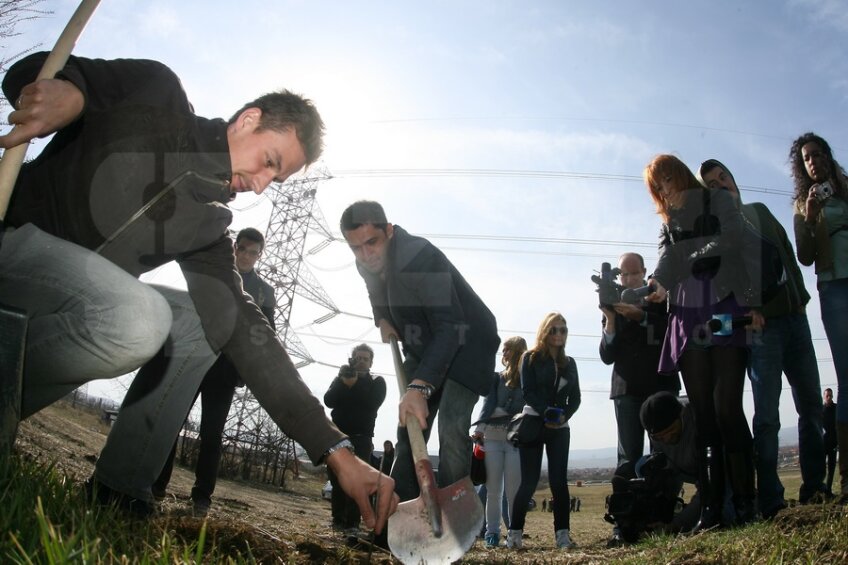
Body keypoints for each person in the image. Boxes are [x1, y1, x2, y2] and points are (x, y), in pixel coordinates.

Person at [0, 52, 397, 530]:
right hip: (12, 245)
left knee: (197, 324)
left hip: (68, 300)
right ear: (249, 120)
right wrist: (74, 94)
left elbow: (247, 333)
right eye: (269, 162)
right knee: (140, 316)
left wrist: (336, 450)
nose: (261, 186)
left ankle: (116, 493)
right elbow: (27, 73)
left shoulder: (208, 228)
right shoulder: (155, 92)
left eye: (277, 179)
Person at [340, 201, 500, 511]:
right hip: (424, 344)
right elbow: (374, 288)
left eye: (372, 242)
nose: (366, 254)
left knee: (451, 429)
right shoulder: (364, 261)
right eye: (356, 247)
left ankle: (454, 516)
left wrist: (420, 386)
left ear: (389, 230)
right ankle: (398, 517)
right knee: (409, 430)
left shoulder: (418, 257)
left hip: (467, 342)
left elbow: (451, 326)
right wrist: (381, 317)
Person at [698, 158, 828, 515]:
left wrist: (801, 302)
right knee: (767, 417)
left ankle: (815, 489)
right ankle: (769, 500)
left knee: (812, 408)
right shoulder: (719, 234)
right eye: (712, 184)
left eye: (724, 176)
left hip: (797, 323)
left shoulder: (760, 211)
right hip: (763, 331)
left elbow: (787, 256)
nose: (722, 183)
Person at [643, 154, 760, 531]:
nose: (664, 190)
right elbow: (664, 262)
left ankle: (745, 505)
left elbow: (736, 239)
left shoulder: (718, 200)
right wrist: (658, 284)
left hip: (724, 306)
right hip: (686, 316)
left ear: (680, 175)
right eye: (657, 188)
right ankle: (712, 511)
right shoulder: (670, 225)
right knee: (704, 418)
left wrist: (691, 257)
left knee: (727, 407)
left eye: (666, 180)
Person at [151, 227, 277, 516]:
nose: (246, 256)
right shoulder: (212, 273)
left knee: (212, 433)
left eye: (253, 252)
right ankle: (156, 484)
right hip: (191, 356)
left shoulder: (263, 292)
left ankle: (201, 498)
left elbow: (264, 334)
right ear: (234, 248)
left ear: (260, 255)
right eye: (242, 249)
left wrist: (248, 370)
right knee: (172, 422)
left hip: (224, 369)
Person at [790, 132, 848, 502]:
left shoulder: (845, 189)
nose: (813, 161)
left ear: (827, 155)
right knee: (846, 372)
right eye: (806, 158)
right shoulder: (801, 204)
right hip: (834, 286)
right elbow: (805, 256)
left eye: (817, 154)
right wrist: (810, 218)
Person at [507, 312, 581, 550]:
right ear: (545, 331)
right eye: (554, 329)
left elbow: (576, 398)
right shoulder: (530, 357)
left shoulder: (570, 363)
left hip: (560, 427)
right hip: (533, 422)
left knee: (559, 482)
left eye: (563, 330)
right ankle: (514, 534)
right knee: (528, 482)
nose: (559, 334)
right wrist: (547, 413)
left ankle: (562, 535)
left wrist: (562, 417)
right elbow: (528, 392)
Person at [323, 343, 386, 533]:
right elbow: (329, 400)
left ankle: (352, 523)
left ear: (371, 362)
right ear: (352, 359)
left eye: (365, 359)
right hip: (337, 436)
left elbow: (371, 404)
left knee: (358, 482)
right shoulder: (341, 379)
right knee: (336, 479)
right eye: (358, 358)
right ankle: (338, 519)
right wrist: (343, 383)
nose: (361, 362)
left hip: (361, 438)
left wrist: (354, 385)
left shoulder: (377, 382)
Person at [471, 336, 528, 548]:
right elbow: (489, 404)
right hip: (493, 438)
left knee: (513, 491)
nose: (503, 354)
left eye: (506, 350)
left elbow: (526, 408)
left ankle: (514, 534)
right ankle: (491, 533)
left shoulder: (527, 377)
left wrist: (503, 412)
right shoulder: (497, 378)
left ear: (517, 351)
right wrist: (479, 428)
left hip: (515, 439)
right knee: (493, 490)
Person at [823, 388, 838, 495]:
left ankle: (828, 490)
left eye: (830, 396)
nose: (829, 398)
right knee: (821, 467)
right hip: (823, 443)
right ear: (824, 397)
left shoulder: (836, 408)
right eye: (827, 396)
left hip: (834, 442)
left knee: (832, 468)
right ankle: (821, 489)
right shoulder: (821, 410)